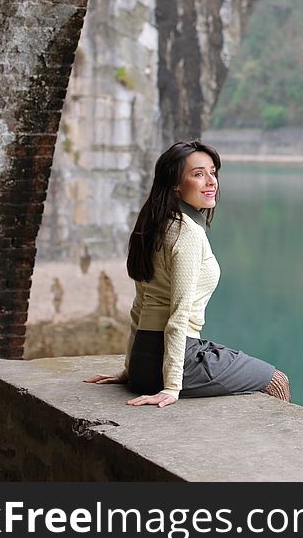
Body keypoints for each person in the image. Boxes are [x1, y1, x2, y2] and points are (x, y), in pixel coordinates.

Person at [84, 140, 290, 407]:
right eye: (198, 174)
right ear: (175, 185)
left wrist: (132, 369)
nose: (211, 181)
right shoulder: (187, 233)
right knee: (277, 381)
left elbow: (140, 306)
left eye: (213, 172)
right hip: (178, 361)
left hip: (145, 360)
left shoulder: (155, 225)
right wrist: (171, 387)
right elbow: (178, 314)